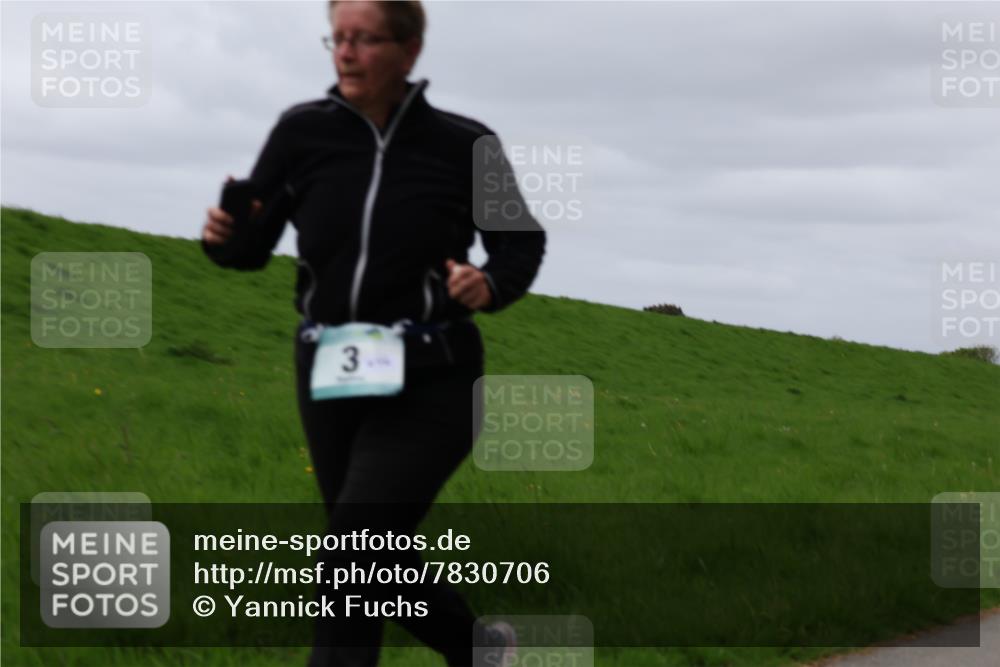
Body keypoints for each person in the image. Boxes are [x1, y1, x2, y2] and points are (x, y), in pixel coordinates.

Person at [200, 1, 546, 666]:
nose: (347, 53)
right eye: (339, 38)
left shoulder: (467, 145)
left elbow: (521, 241)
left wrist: (491, 283)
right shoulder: (302, 132)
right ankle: (480, 650)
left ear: (410, 50)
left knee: (353, 551)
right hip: (329, 368)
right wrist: (224, 239)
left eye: (366, 39)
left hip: (434, 373)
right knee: (371, 551)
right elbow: (250, 244)